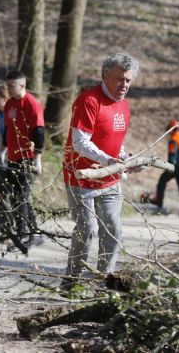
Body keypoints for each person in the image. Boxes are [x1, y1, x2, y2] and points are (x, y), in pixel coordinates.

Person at [62, 52, 139, 286]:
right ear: (105, 76)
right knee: (87, 229)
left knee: (113, 228)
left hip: (109, 179)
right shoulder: (89, 101)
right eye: (119, 79)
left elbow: (114, 141)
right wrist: (108, 161)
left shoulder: (123, 105)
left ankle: (103, 285)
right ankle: (71, 284)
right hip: (81, 176)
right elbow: (80, 142)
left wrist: (127, 158)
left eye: (128, 80)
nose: (124, 84)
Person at [2, 70, 45, 249]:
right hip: (12, 157)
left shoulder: (31, 104)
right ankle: (35, 233)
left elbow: (39, 131)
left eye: (12, 86)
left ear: (22, 86)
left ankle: (21, 235)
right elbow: (8, 130)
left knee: (22, 197)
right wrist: (4, 151)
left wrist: (37, 159)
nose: (9, 89)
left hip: (27, 158)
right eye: (8, 86)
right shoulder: (9, 105)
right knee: (16, 197)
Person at [154, 119, 179, 216]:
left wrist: (169, 167)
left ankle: (159, 204)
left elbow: (172, 156)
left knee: (162, 181)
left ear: (171, 130)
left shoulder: (174, 139)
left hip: (177, 168)